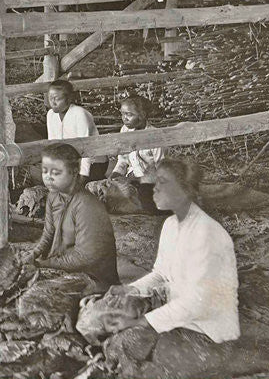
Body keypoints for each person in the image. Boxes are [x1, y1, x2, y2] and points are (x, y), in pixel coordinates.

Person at [101, 159, 242, 375]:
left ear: (185, 191)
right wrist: (131, 289)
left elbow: (198, 302)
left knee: (136, 354)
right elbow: (160, 273)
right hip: (180, 317)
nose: (154, 189)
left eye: (162, 182)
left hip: (208, 330)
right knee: (117, 341)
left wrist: (142, 321)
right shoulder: (170, 225)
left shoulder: (207, 233)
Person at [30, 143, 119, 292]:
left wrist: (44, 264)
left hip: (94, 279)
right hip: (63, 267)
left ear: (74, 171)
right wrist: (33, 254)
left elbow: (84, 258)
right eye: (45, 171)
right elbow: (48, 233)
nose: (48, 178)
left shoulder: (87, 205)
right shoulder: (53, 196)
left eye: (56, 173)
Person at [109, 94, 164, 213]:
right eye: (122, 114)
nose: (124, 118)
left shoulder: (154, 136)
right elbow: (123, 160)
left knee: (148, 203)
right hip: (131, 179)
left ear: (143, 115)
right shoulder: (125, 130)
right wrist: (115, 175)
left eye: (129, 114)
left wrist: (137, 180)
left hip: (150, 182)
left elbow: (161, 169)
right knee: (102, 189)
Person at [45, 80, 106, 181]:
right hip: (70, 162)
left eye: (57, 98)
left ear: (69, 99)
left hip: (93, 162)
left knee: (75, 186)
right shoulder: (50, 115)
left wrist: (83, 176)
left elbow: (86, 147)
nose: (53, 102)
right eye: (50, 98)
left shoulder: (80, 114)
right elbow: (52, 143)